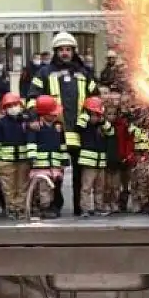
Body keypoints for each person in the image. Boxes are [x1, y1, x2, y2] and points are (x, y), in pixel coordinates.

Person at [27, 31, 98, 216]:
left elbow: (95, 99)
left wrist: (85, 119)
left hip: (79, 131)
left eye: (68, 49)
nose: (65, 53)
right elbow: (32, 97)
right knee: (53, 170)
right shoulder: (44, 73)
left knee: (79, 171)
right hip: (54, 131)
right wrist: (35, 117)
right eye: (61, 50)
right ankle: (53, 205)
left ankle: (80, 207)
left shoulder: (84, 74)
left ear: (74, 51)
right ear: (55, 52)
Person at [27, 95, 69, 219]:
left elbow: (62, 144)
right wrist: (32, 158)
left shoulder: (58, 127)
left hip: (55, 165)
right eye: (52, 113)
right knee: (43, 189)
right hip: (41, 165)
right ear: (44, 113)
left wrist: (64, 159)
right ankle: (43, 208)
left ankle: (52, 206)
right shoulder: (36, 127)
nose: (55, 115)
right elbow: (31, 143)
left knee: (53, 187)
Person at [0, 93, 30, 220]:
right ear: (5, 108)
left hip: (23, 159)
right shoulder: (0, 123)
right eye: (9, 106)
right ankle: (12, 209)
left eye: (15, 104)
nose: (13, 108)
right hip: (6, 160)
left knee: (22, 186)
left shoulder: (26, 121)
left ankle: (21, 208)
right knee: (8, 188)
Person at [76, 96, 113, 216]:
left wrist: (102, 122)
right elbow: (78, 127)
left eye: (98, 114)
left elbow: (111, 132)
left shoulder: (101, 124)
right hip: (89, 163)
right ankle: (85, 209)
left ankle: (99, 208)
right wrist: (86, 117)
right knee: (86, 187)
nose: (96, 117)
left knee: (100, 188)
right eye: (94, 113)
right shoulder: (84, 122)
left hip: (100, 162)